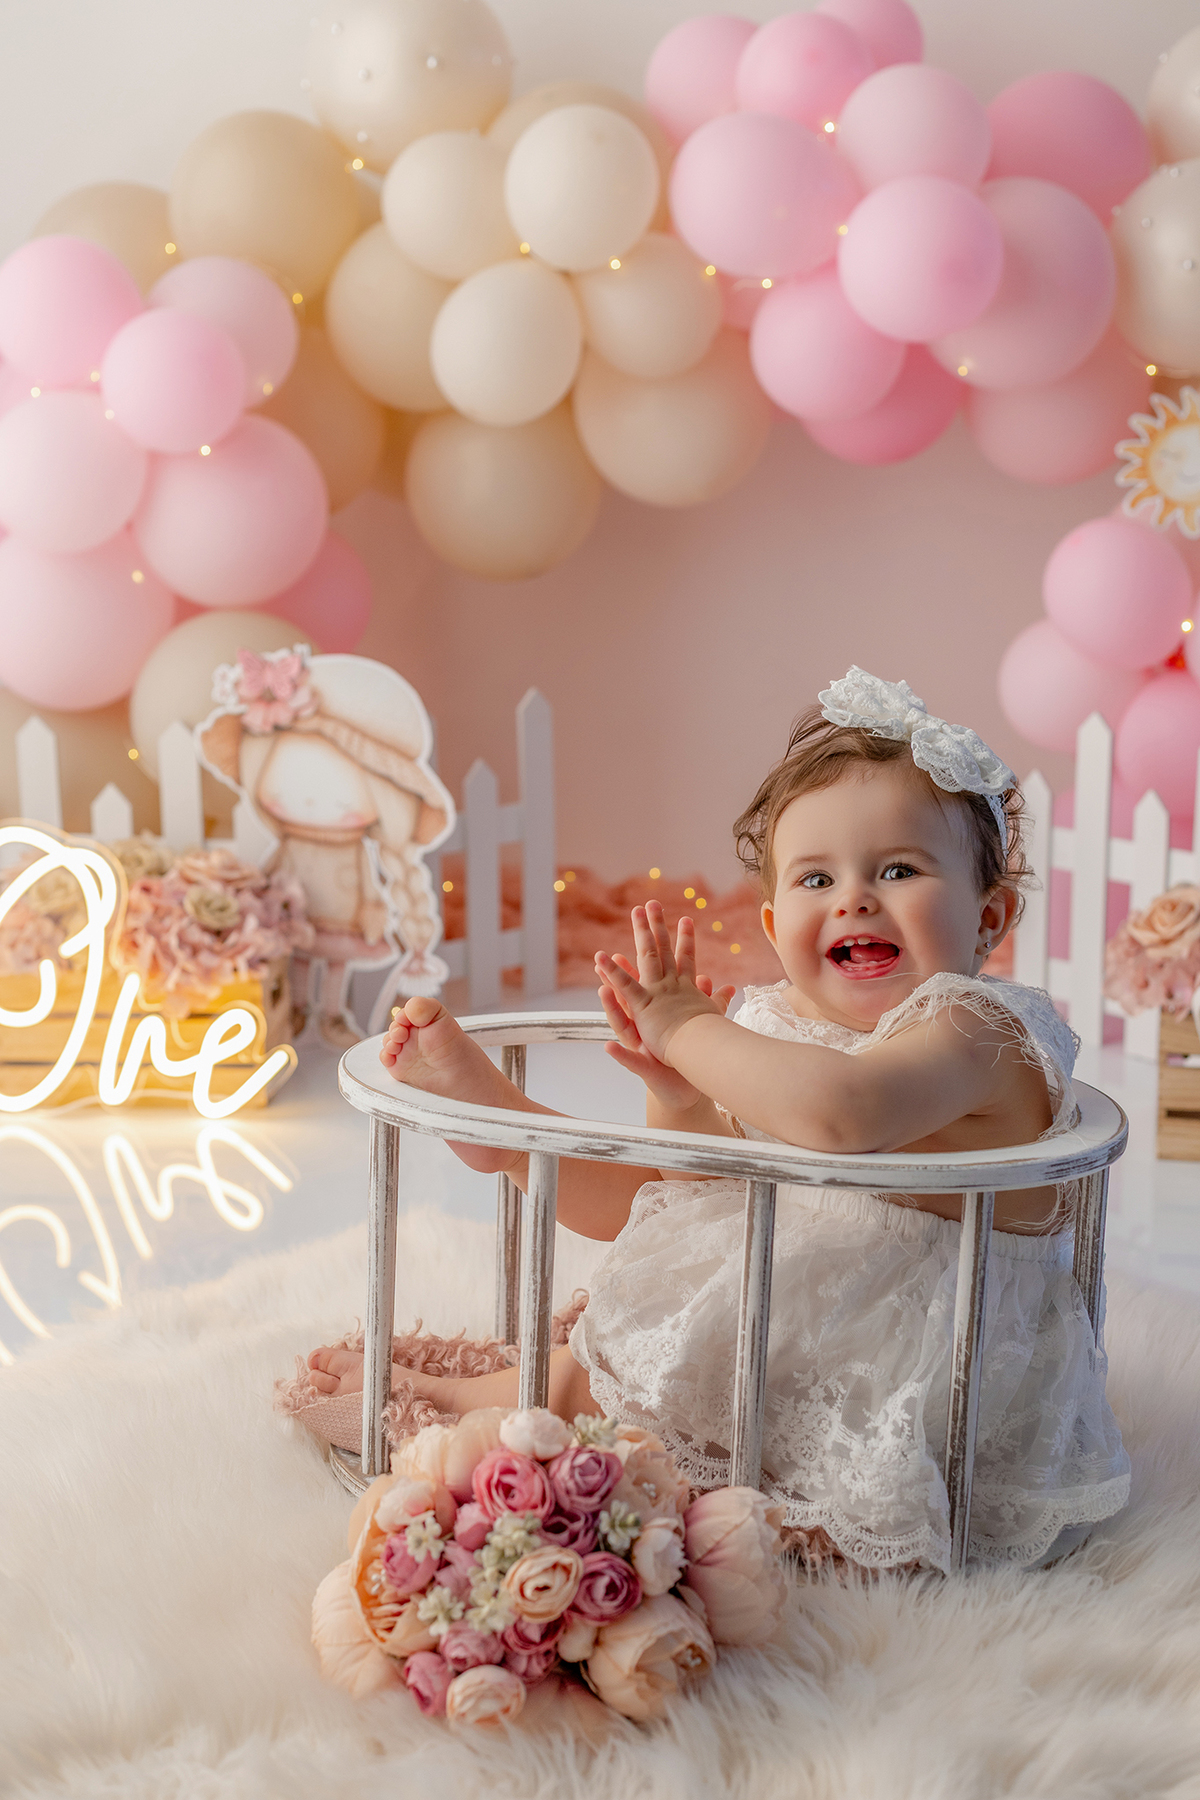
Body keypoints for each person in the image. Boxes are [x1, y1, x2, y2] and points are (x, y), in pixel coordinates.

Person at [307, 667, 1130, 1572]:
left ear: (991, 917)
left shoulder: (975, 1029)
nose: (854, 898)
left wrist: (687, 1025)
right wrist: (683, 1091)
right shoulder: (793, 1030)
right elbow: (696, 1188)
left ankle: (525, 1401)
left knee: (713, 1312)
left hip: (931, 1371)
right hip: (814, 1289)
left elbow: (841, 1116)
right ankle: (509, 1137)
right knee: (685, 1220)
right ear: (777, 926)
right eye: (818, 877)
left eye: (898, 869)